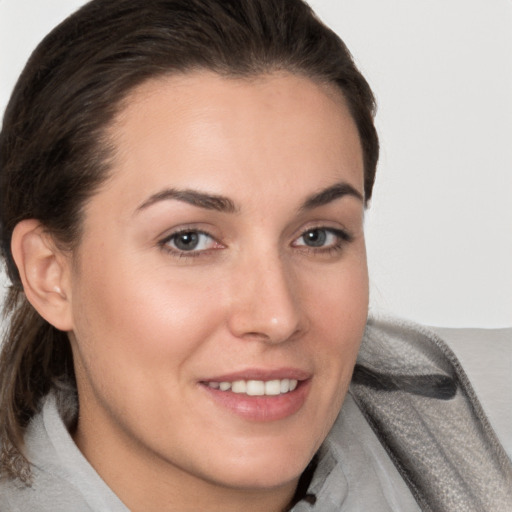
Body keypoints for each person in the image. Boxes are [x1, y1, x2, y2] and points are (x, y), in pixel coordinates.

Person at [0, 1, 510, 511]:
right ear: (51, 275)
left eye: (317, 236)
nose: (277, 316)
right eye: (189, 240)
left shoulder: (485, 426)